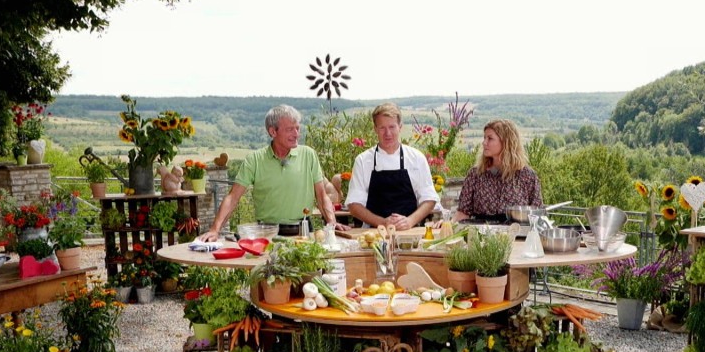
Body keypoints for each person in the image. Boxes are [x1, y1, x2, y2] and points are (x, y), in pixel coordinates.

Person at [198, 105, 346, 241]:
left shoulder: (309, 155)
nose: (296, 134)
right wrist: (214, 230)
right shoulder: (254, 159)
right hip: (266, 234)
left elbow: (322, 196)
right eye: (290, 129)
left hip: (303, 232)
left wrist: (332, 223)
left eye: (297, 128)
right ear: (272, 131)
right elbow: (233, 198)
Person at [345, 103, 440, 231]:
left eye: (392, 127)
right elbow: (354, 205)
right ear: (375, 129)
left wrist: (410, 221)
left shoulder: (416, 158)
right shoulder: (363, 161)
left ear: (400, 127)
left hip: (411, 232)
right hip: (374, 234)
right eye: (382, 128)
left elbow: (429, 199)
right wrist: (382, 222)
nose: (387, 133)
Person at [454, 119, 543, 222]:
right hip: (481, 235)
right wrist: (447, 224)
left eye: (490, 138)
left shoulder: (527, 176)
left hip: (516, 235)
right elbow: (463, 212)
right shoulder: (475, 174)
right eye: (484, 138)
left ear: (506, 142)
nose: (484, 143)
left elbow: (538, 214)